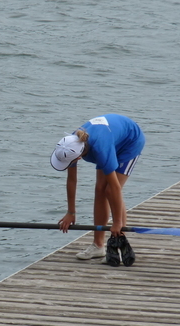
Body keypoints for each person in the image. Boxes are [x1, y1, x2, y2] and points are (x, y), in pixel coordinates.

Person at [50, 114, 145, 266]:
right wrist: (71, 212)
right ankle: (98, 246)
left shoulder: (100, 149)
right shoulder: (72, 143)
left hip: (129, 141)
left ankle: (119, 242)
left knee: (109, 191)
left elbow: (114, 188)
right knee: (99, 189)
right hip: (110, 139)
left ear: (79, 157)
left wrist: (117, 222)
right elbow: (72, 180)